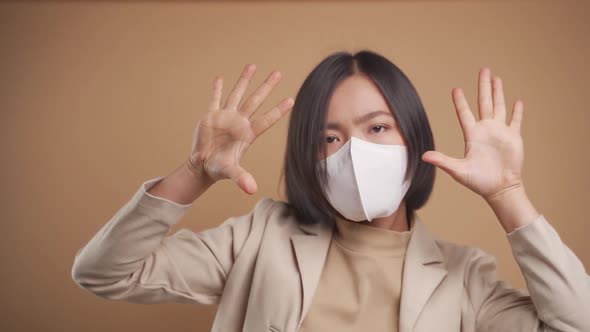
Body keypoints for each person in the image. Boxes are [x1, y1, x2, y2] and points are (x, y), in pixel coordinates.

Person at [71, 50, 589, 332]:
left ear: (415, 140)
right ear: (307, 155)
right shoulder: (259, 237)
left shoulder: (465, 277)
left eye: (378, 128)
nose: (354, 151)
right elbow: (103, 272)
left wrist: (508, 194)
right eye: (329, 137)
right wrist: (195, 171)